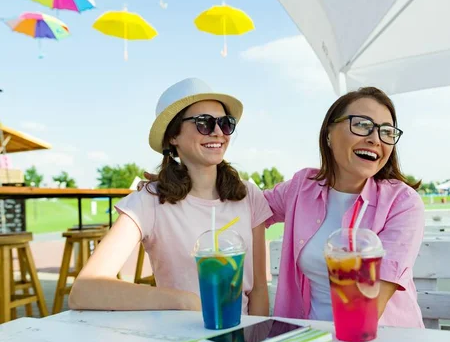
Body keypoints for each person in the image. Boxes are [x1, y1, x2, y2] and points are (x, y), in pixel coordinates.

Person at [69, 78, 272, 315]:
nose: (218, 132)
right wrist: (183, 301)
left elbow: (258, 290)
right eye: (203, 123)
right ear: (173, 136)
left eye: (225, 123)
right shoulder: (149, 202)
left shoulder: (249, 196)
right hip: (179, 341)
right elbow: (84, 290)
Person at [264, 87, 425, 328]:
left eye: (386, 132)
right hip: (307, 338)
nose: (375, 139)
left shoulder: (402, 202)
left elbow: (367, 312)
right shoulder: (300, 188)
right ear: (329, 132)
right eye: (361, 125)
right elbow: (247, 206)